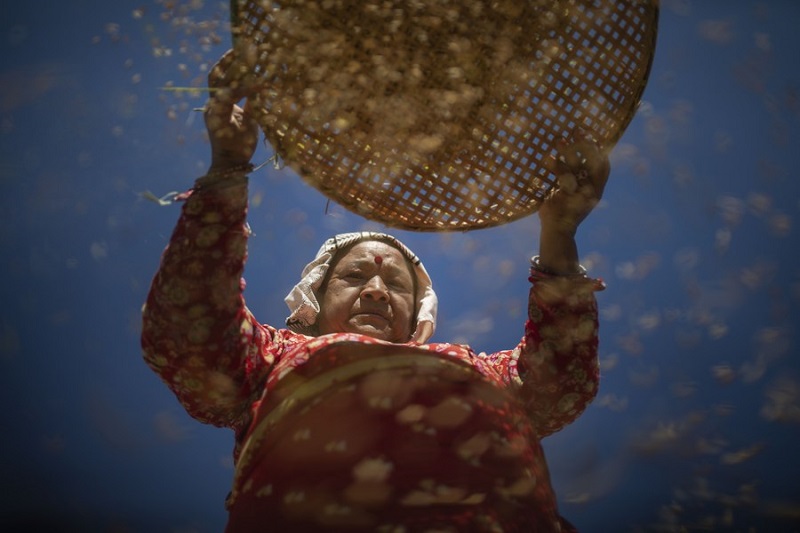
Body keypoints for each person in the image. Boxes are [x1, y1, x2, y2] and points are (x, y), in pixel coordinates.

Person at [141, 51, 610, 532]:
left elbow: (559, 383)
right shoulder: (271, 357)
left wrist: (560, 234)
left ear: (418, 313)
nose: (376, 292)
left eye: (395, 285)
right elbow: (187, 331)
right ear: (313, 304)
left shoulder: (483, 370)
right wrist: (228, 169)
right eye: (353, 277)